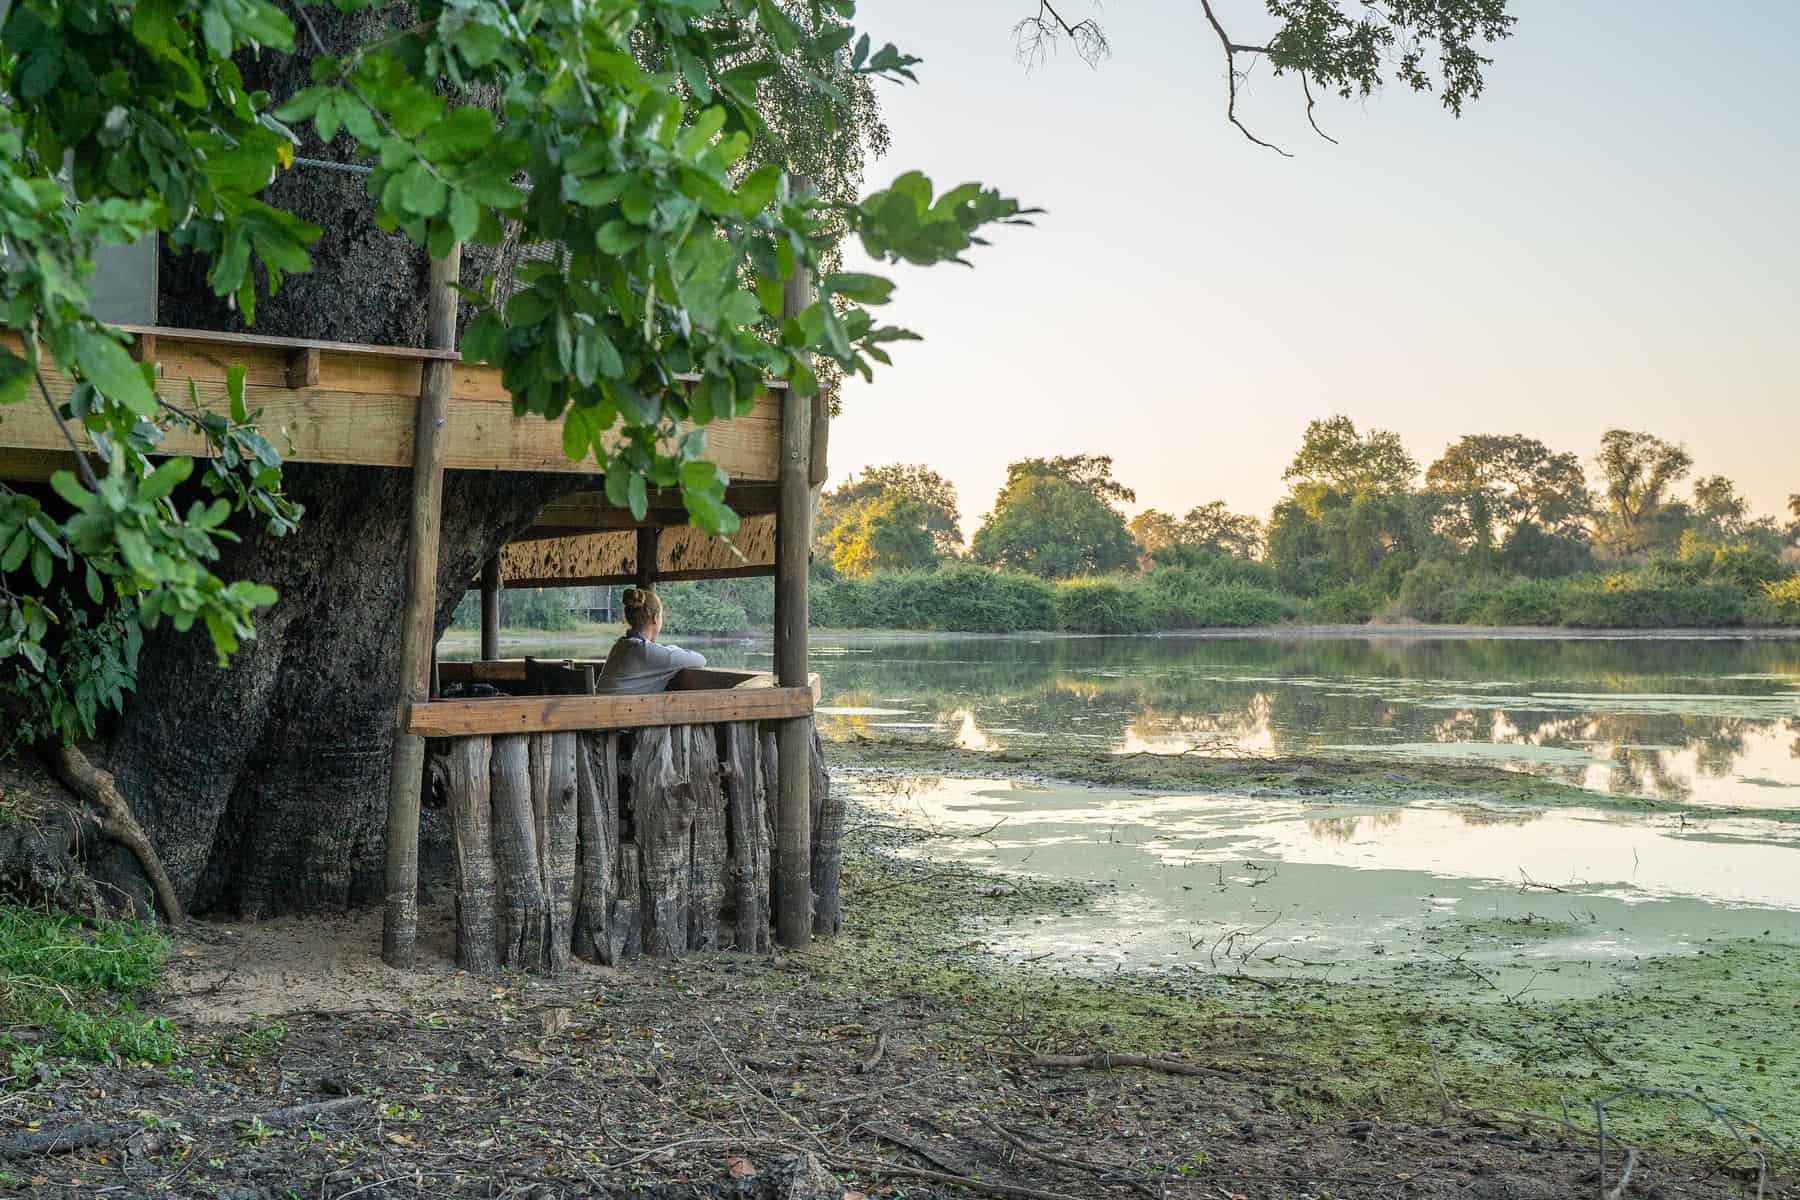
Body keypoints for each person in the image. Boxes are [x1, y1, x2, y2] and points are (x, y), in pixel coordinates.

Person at [594, 588, 706, 694]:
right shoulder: (644, 651)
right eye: (662, 616)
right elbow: (700, 660)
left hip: (602, 711)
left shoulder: (621, 644)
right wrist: (674, 649)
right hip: (616, 712)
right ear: (656, 618)